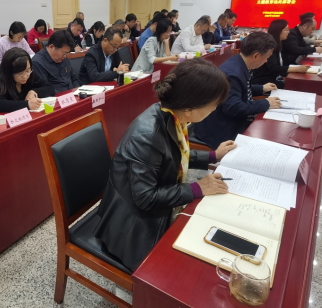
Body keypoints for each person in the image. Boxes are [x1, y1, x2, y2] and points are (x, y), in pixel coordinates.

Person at [94, 58, 237, 272]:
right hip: (131, 227)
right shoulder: (148, 136)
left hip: (149, 211)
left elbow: (175, 153)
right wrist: (197, 188)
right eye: (213, 105)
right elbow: (145, 198)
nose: (215, 108)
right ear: (189, 108)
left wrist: (212, 156)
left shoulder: (170, 114)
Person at [194, 32, 282, 149]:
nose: (266, 61)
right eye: (267, 57)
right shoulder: (233, 74)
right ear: (256, 56)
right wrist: (266, 103)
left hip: (229, 120)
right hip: (221, 130)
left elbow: (239, 88)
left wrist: (261, 88)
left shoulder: (238, 62)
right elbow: (233, 108)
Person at [0, 48, 55, 117]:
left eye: (27, 70)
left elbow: (50, 88)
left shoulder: (29, 74)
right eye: (19, 73)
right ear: (9, 71)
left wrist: (34, 92)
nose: (25, 76)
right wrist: (27, 105)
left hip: (19, 118)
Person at [251, 20, 311, 88]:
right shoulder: (269, 45)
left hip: (274, 78)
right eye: (286, 30)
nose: (288, 32)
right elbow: (274, 68)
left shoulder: (279, 43)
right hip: (264, 82)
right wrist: (297, 69)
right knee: (295, 86)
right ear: (278, 31)